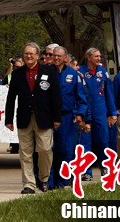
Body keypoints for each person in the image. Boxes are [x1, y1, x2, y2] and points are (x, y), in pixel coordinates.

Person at [5, 43, 62, 194]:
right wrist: (8, 119)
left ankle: (43, 179)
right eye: (26, 54)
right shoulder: (17, 74)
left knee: (45, 150)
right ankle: (29, 184)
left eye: (31, 54)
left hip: (44, 118)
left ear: (38, 56)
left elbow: (56, 96)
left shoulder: (49, 71)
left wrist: (57, 118)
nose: (29, 56)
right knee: (25, 153)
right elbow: (11, 98)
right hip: (24, 118)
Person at [50, 46, 86, 190]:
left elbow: (81, 96)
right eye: (54, 56)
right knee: (50, 150)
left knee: (65, 150)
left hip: (67, 118)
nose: (56, 58)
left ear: (65, 58)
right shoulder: (47, 71)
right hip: (50, 118)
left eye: (59, 56)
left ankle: (63, 180)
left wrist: (79, 114)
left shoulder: (73, 74)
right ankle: (50, 182)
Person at [79, 47, 117, 180]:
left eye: (99, 56)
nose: (99, 58)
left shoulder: (103, 72)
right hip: (86, 111)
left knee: (103, 140)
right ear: (88, 57)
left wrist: (112, 113)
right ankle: (86, 171)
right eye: (96, 56)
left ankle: (104, 166)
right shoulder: (80, 72)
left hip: (101, 111)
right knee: (85, 142)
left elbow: (109, 93)